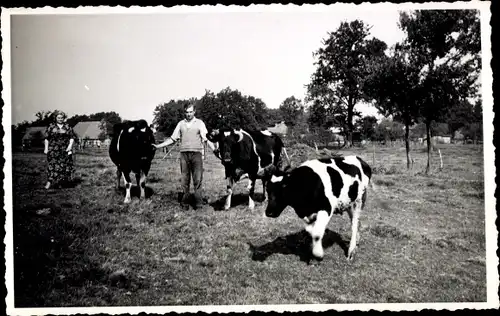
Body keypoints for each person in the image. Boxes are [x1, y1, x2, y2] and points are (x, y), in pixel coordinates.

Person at [154, 103, 216, 210]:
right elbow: (173, 139)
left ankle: (198, 203)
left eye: (191, 112)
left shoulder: (199, 123)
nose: (188, 114)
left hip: (196, 154)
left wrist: (215, 149)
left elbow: (205, 138)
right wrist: (158, 146)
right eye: (187, 112)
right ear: (184, 113)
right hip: (184, 154)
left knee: (197, 179)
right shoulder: (180, 124)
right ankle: (185, 203)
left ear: (194, 112)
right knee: (184, 179)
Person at [44, 111, 76, 189]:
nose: (60, 119)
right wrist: (46, 148)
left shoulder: (68, 127)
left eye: (62, 118)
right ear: (55, 118)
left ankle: (60, 183)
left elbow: (72, 138)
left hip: (64, 150)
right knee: (52, 165)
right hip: (53, 150)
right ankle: (49, 182)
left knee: (63, 166)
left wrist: (70, 146)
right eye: (58, 118)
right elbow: (47, 139)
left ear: (64, 118)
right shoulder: (51, 127)